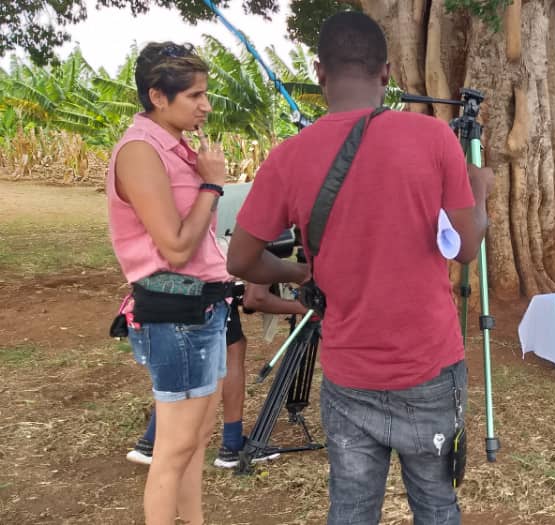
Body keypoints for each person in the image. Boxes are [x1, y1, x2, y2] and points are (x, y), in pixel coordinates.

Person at [226, 11, 494, 525]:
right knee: (437, 506)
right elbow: (463, 248)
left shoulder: (288, 157)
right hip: (429, 367)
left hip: (350, 375)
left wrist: (302, 274)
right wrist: (478, 187)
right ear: (387, 73)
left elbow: (241, 259)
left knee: (351, 511)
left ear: (320, 73)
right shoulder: (434, 139)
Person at [106, 41, 229, 525]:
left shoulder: (177, 148)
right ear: (158, 96)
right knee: (172, 450)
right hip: (175, 316)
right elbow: (176, 248)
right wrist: (212, 186)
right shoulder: (140, 151)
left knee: (196, 440)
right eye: (195, 95)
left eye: (206, 94)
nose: (206, 105)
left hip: (204, 307)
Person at [125, 282, 308, 468]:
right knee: (230, 350)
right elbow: (255, 294)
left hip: (161, 293)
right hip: (204, 292)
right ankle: (231, 445)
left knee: (189, 357)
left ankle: (151, 441)